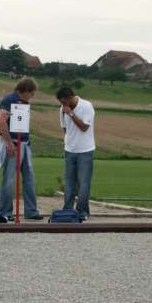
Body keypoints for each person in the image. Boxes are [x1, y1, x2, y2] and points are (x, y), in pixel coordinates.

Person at [0, 77, 43, 220]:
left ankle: (31, 211)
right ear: (26, 90)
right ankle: (5, 212)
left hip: (24, 143)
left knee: (29, 178)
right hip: (14, 143)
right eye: (32, 92)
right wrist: (9, 143)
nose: (33, 96)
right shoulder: (9, 100)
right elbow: (1, 123)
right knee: (9, 179)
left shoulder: (23, 102)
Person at [56, 87, 96, 221]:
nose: (63, 105)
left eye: (64, 102)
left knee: (84, 183)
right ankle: (67, 210)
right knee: (69, 183)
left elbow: (84, 127)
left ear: (71, 97)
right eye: (61, 103)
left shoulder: (86, 106)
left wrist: (71, 114)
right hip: (69, 151)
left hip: (85, 151)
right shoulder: (62, 110)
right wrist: (69, 142)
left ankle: (82, 211)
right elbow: (65, 129)